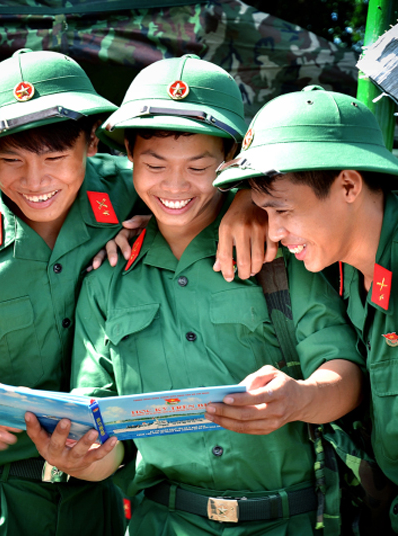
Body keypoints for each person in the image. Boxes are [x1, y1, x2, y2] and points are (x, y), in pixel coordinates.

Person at [0, 49, 271, 536]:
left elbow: (199, 180)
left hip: (94, 497)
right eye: (11, 161)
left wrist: (245, 203)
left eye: (55, 158)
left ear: (92, 141)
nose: (35, 181)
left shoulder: (130, 187)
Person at [25, 56, 364, 536]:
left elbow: (345, 373)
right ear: (129, 155)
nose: (175, 185)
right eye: (154, 165)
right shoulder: (107, 278)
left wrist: (299, 400)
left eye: (200, 166)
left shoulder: (281, 251)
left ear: (231, 157)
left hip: (288, 522)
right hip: (163, 522)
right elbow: (103, 435)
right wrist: (79, 457)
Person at [213, 85, 398, 531]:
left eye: (282, 211)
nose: (273, 232)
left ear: (349, 185)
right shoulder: (349, 270)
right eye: (264, 212)